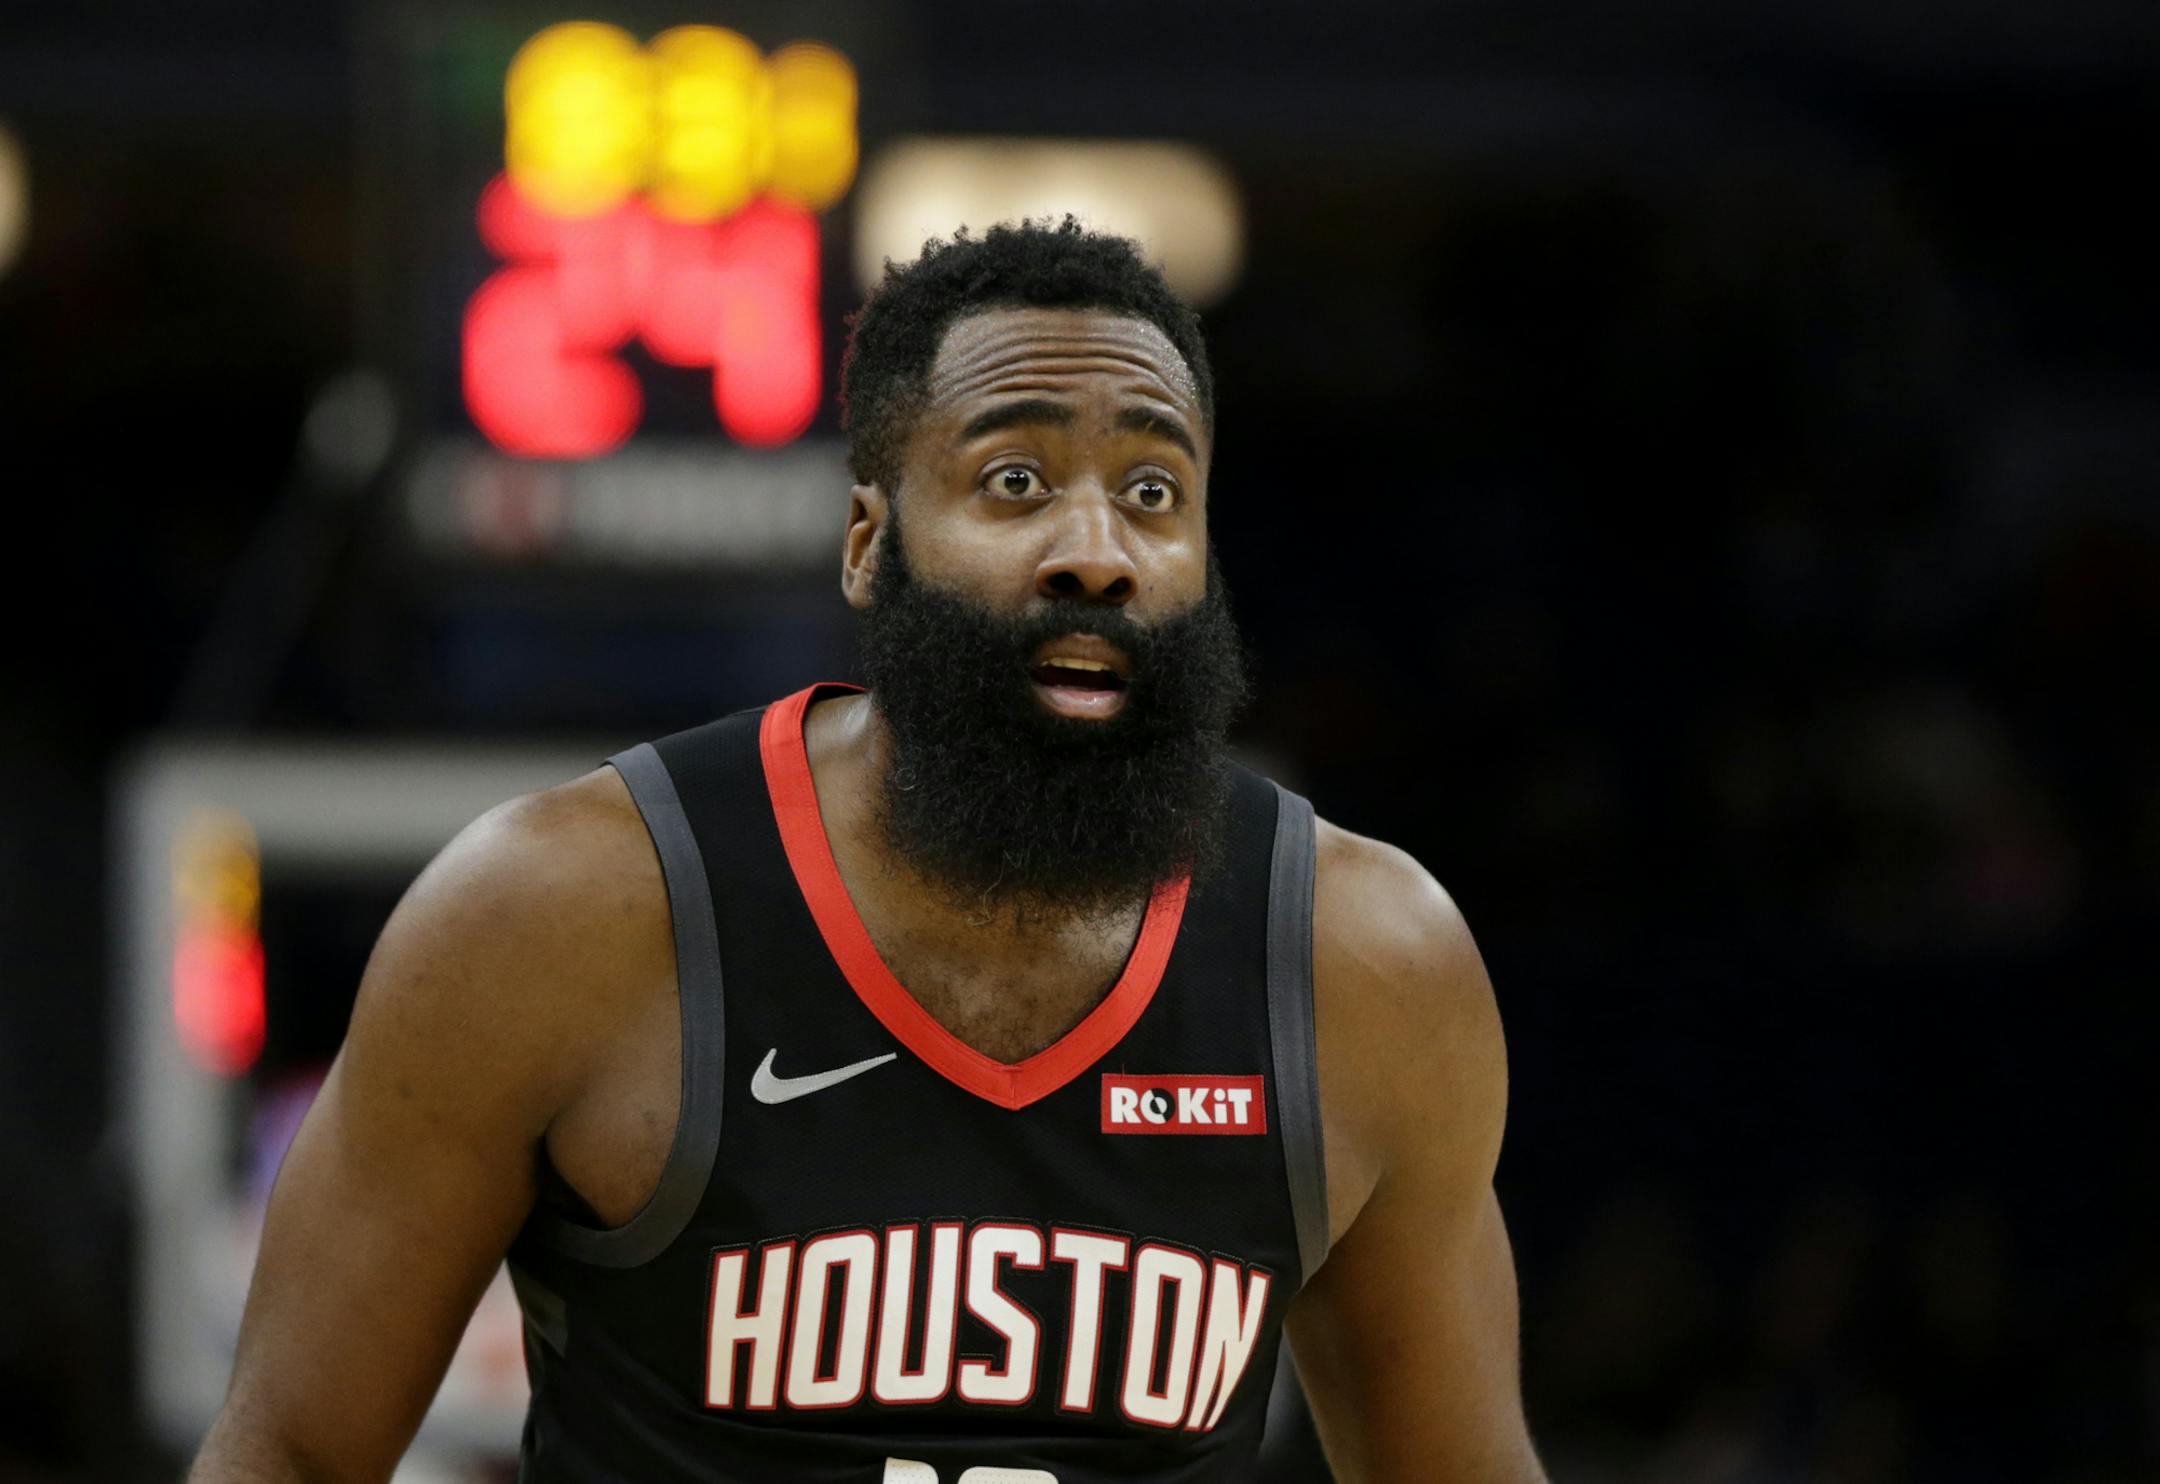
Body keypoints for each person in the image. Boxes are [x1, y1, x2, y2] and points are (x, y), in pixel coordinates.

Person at [189, 219, 1548, 1484]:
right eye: (1015, 481)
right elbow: (289, 1454)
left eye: (1153, 489)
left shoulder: (1362, 965)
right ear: (867, 542)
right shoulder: (562, 913)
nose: (1098, 551)